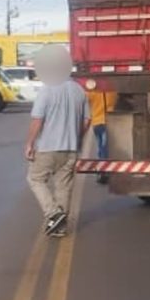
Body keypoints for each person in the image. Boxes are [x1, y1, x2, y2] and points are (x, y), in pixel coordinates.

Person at [24, 46, 90, 238]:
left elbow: (37, 119)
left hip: (48, 147)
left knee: (35, 179)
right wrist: (76, 138)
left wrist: (29, 143)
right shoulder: (79, 90)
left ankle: (53, 213)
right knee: (63, 186)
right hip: (71, 148)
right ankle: (59, 227)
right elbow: (87, 120)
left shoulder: (47, 90)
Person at [87, 90, 118, 184]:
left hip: (97, 122)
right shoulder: (112, 92)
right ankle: (105, 170)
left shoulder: (93, 92)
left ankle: (101, 170)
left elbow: (85, 99)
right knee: (105, 147)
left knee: (100, 146)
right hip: (109, 121)